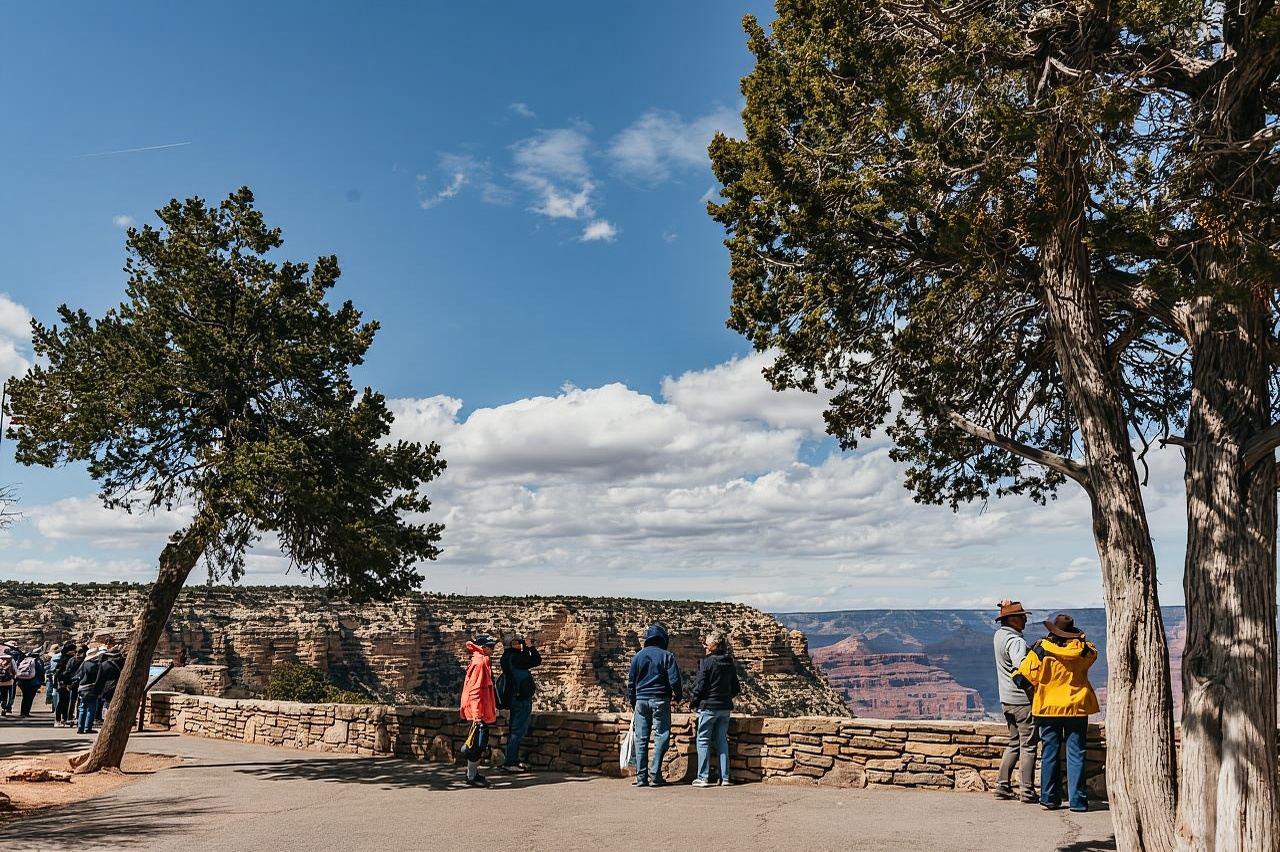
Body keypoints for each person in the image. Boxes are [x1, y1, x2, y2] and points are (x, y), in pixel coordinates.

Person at [1015, 613, 1100, 813]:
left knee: (1050, 753)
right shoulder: (1083, 651)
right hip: (1076, 707)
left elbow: (1025, 677)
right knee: (1076, 753)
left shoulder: (1041, 649)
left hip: (1048, 707)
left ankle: (1049, 798)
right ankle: (1078, 802)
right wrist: (1080, 639)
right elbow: (1093, 653)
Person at [626, 623, 682, 788]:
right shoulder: (667, 656)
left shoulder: (637, 657)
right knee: (661, 737)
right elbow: (675, 680)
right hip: (660, 700)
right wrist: (679, 696)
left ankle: (641, 777)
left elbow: (631, 682)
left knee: (641, 739)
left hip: (641, 701)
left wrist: (633, 701)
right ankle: (655, 775)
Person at [992, 599, 1036, 802]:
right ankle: (1027, 791)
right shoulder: (1016, 641)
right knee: (1028, 745)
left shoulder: (999, 635)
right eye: (1022, 616)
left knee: (1014, 743)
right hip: (1021, 701)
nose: (1025, 619)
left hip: (1006, 699)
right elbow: (1022, 668)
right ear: (1012, 619)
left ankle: (1002, 785)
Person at [688, 631, 740, 787]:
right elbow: (736, 687)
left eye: (707, 644)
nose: (704, 646)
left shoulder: (708, 662)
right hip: (725, 708)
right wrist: (725, 697)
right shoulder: (729, 661)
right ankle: (725, 778)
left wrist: (693, 701)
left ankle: (703, 778)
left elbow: (700, 685)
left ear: (713, 646)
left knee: (703, 740)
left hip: (708, 707)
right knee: (722, 740)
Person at [459, 634, 499, 788]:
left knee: (478, 743)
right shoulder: (480, 663)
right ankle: (471, 776)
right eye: (490, 646)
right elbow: (475, 691)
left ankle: (472, 773)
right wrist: (477, 716)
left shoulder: (481, 660)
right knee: (478, 744)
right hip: (478, 711)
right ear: (483, 648)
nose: (493, 649)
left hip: (480, 709)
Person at [499, 635, 541, 772]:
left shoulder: (507, 657)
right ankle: (510, 762)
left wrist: (523, 648)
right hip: (521, 699)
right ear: (510, 644)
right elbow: (536, 660)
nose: (520, 644)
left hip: (514, 697)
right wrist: (530, 647)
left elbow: (523, 661)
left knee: (514, 730)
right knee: (517, 731)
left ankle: (513, 761)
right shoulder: (516, 658)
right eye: (517, 642)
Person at [75, 647, 105, 734]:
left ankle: (80, 727)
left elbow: (78, 675)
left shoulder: (84, 664)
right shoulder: (97, 666)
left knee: (82, 707)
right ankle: (88, 727)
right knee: (91, 708)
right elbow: (99, 679)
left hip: (82, 687)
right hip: (91, 688)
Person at [14, 647, 46, 717]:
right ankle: (26, 712)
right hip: (32, 682)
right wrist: (42, 681)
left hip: (22, 681)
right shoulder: (38, 661)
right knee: (29, 697)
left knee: (25, 696)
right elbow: (41, 672)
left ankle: (22, 712)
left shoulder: (24, 660)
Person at [53, 642, 79, 727]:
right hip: (64, 683)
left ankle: (64, 719)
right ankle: (58, 720)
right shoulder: (66, 660)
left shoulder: (65, 658)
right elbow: (60, 673)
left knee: (65, 702)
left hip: (65, 683)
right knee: (62, 702)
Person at [0, 641, 16, 716]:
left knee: (3, 694)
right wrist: (14, 676)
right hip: (10, 680)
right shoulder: (11, 659)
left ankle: (3, 707)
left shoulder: (0, 659)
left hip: (1, 680)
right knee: (10, 694)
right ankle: (8, 708)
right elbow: (15, 670)